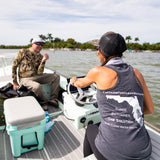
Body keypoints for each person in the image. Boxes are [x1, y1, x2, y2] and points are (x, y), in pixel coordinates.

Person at [70, 32, 154, 160]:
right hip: (144, 151)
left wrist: (73, 81)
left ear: (101, 51)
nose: (97, 52)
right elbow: (149, 109)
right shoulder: (137, 73)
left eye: (97, 49)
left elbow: (80, 84)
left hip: (115, 155)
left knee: (91, 129)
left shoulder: (97, 71)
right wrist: (126, 112)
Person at [12, 37, 60, 110]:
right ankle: (43, 102)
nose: (40, 46)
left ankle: (53, 99)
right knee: (37, 86)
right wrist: (15, 82)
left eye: (42, 44)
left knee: (56, 76)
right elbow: (14, 66)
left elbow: (40, 72)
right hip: (24, 78)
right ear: (32, 44)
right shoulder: (23, 51)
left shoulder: (40, 56)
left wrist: (43, 61)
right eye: (38, 44)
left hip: (37, 76)